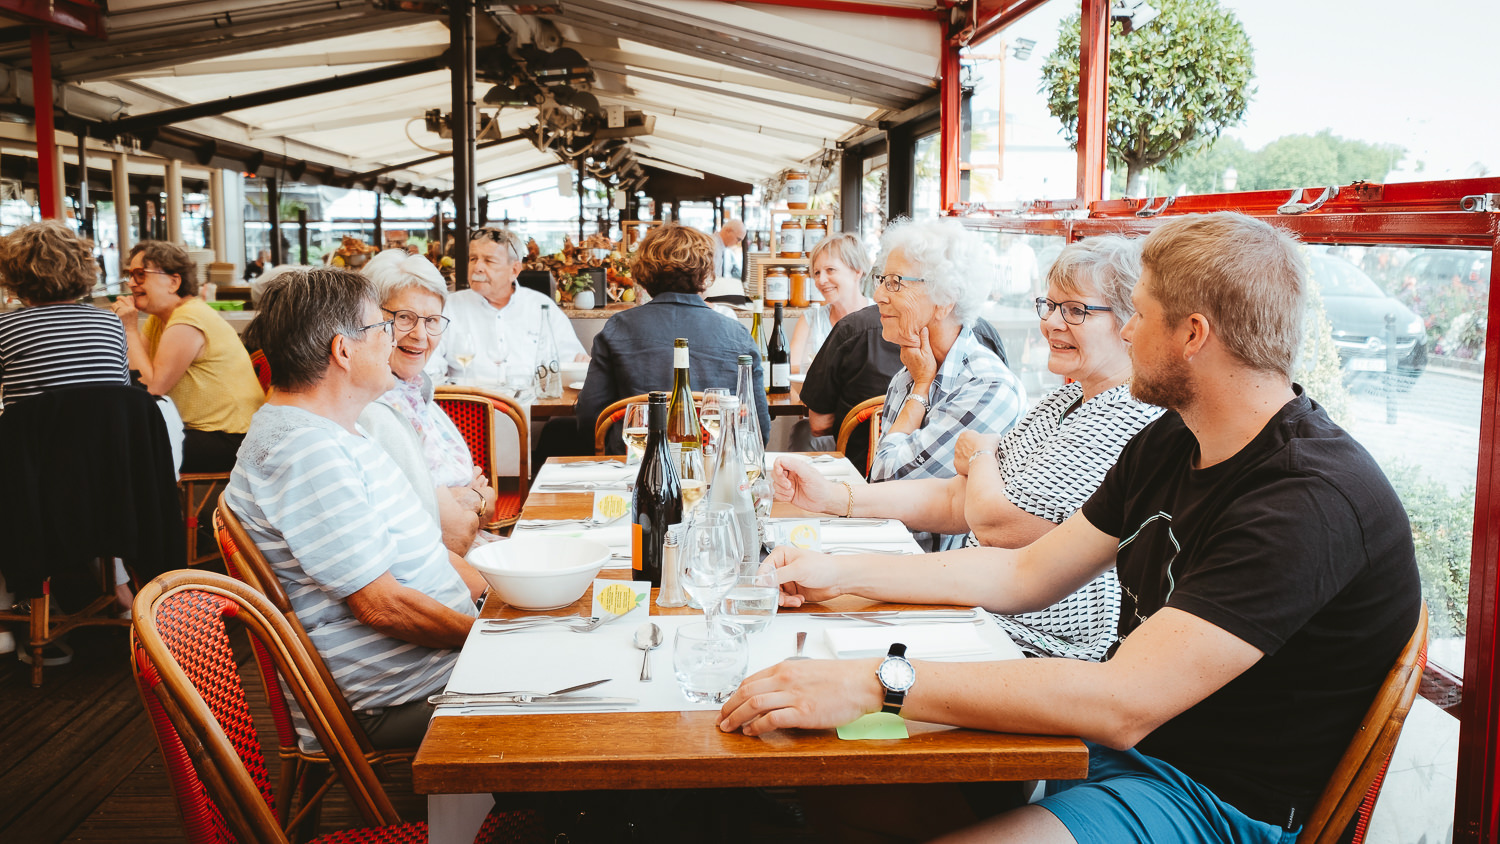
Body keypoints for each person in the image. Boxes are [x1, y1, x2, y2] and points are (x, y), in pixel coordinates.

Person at [722, 212, 1423, 844]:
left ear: (1192, 335)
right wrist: (836, 576)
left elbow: (1121, 703)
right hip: (1122, 757)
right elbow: (1023, 571)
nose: (1123, 330)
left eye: (1137, 315)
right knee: (829, 781)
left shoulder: (1308, 497)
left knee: (850, 744)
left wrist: (880, 683)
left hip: (1211, 801)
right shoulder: (1172, 442)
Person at [775, 235, 1162, 661]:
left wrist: (979, 456)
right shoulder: (1063, 401)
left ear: (1130, 322)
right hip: (984, 613)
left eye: (1074, 310)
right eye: (1049, 306)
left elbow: (998, 524)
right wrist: (834, 496)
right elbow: (957, 498)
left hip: (1040, 646)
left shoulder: (1126, 415)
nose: (1051, 323)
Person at [224, 268, 485, 750]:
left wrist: (503, 603)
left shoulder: (333, 429)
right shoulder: (304, 453)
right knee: (607, 699)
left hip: (437, 667)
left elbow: (426, 552)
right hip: (400, 697)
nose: (394, 341)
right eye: (382, 327)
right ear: (343, 351)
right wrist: (493, 641)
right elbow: (381, 606)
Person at [863, 218, 1025, 551]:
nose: (878, 295)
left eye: (895, 283)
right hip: (894, 557)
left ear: (945, 299)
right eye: (881, 280)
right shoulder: (909, 373)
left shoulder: (988, 388)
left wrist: (920, 392)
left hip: (948, 588)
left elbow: (884, 483)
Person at [576, 223, 771, 451]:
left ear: (644, 274)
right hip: (713, 473)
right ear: (706, 274)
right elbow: (760, 430)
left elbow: (590, 418)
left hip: (634, 470)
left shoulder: (618, 328)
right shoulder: (737, 335)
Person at [359, 250, 496, 556]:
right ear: (368, 319)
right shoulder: (372, 410)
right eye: (404, 317)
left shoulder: (418, 394)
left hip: (473, 555)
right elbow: (454, 538)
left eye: (432, 320)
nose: (420, 334)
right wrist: (476, 499)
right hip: (437, 577)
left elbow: (491, 508)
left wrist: (470, 500)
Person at [112, 240, 264, 472]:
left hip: (231, 438)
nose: (132, 283)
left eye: (140, 274)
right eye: (129, 275)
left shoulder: (188, 319)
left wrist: (130, 329)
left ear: (173, 282)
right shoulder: (160, 319)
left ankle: (155, 509)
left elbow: (150, 388)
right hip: (198, 431)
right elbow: (132, 373)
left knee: (126, 450)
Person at [427, 227, 586, 384]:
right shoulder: (448, 308)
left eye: (489, 261)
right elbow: (429, 370)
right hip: (469, 407)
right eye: (473, 259)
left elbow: (572, 366)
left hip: (532, 406)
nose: (477, 267)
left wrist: (582, 366)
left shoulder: (542, 308)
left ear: (514, 270)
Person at [0, 220, 129, 406]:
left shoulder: (6, 329)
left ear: (13, 274)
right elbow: (122, 391)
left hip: (33, 434)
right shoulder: (110, 323)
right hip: (106, 434)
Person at [789, 232, 872, 374]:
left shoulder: (881, 316)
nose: (821, 281)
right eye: (817, 273)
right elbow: (791, 372)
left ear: (857, 272)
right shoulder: (811, 319)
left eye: (830, 270)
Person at [704, 219, 748, 304]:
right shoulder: (713, 246)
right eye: (738, 239)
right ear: (728, 231)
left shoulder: (719, 247)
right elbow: (710, 279)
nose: (737, 243)